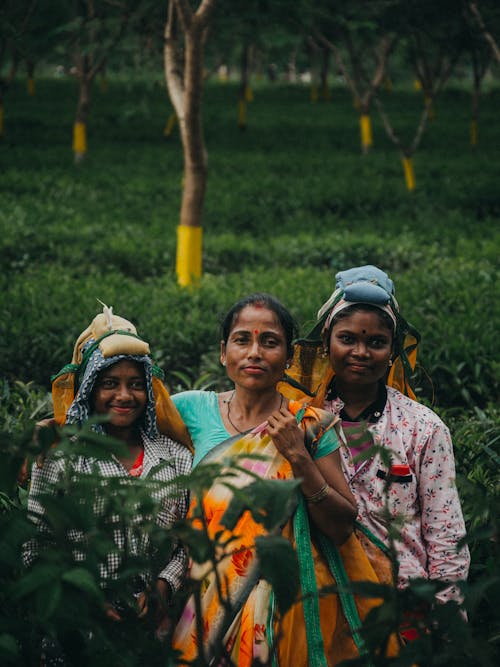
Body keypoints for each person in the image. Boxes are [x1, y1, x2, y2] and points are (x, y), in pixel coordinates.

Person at [171, 293, 400, 666]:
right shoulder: (190, 409)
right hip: (201, 595)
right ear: (223, 352)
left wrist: (298, 457)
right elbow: (123, 415)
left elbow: (343, 525)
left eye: (270, 341)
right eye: (242, 339)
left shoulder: (309, 425)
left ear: (290, 356)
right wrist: (54, 427)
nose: (255, 352)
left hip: (285, 611)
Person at [282, 265, 471, 615]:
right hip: (322, 602)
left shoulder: (423, 428)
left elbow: (445, 535)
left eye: (376, 343)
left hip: (403, 604)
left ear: (393, 350)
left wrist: (447, 618)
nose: (361, 352)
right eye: (347, 339)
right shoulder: (300, 420)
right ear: (326, 342)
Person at [24, 305, 193, 651]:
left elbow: (188, 540)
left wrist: (162, 588)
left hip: (151, 635)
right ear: (88, 390)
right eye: (109, 384)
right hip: (75, 635)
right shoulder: (57, 455)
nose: (124, 396)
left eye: (135, 384)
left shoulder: (176, 457)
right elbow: (37, 544)